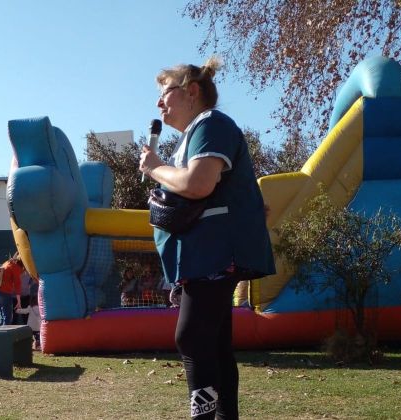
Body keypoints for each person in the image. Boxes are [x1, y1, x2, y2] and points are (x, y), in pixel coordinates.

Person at [139, 57, 275, 419]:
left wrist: (154, 168)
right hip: (203, 256)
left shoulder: (210, 123)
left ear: (192, 91)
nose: (158, 103)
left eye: (164, 92)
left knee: (193, 338)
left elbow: (199, 185)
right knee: (213, 344)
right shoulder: (192, 137)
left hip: (214, 254)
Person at [0, 253, 25, 326]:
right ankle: (4, 336)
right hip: (4, 294)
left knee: (3, 317)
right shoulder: (16, 268)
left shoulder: (7, 263)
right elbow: (17, 285)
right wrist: (19, 301)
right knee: (8, 318)